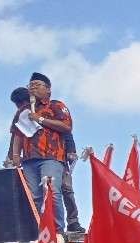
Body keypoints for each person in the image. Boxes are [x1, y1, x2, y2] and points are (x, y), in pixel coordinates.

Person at [6, 86, 84, 235]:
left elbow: (66, 131)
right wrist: (13, 156)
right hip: (31, 159)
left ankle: (72, 222)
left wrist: (71, 151)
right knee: (37, 195)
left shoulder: (52, 107)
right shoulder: (23, 113)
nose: (20, 106)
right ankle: (43, 228)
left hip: (57, 158)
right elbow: (16, 135)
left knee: (63, 189)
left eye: (21, 102)